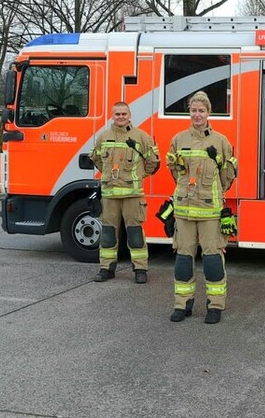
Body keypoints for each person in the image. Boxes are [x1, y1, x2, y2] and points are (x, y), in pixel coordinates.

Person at [164, 91, 237, 324]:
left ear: (209, 113)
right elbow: (175, 173)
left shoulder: (221, 142)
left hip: (210, 213)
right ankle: (182, 304)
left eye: (202, 110)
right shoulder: (177, 140)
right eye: (194, 110)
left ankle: (215, 306)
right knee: (183, 260)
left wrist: (212, 192)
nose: (198, 114)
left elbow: (228, 176)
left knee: (213, 260)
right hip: (184, 211)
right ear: (190, 112)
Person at [91, 102, 161, 284]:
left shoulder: (141, 137)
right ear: (112, 116)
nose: (120, 117)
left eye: (124, 114)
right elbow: (96, 158)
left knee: (135, 233)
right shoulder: (103, 137)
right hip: (109, 195)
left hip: (132, 195)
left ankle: (140, 269)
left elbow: (153, 162)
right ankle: (106, 268)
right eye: (117, 114)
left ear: (130, 115)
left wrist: (139, 175)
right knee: (107, 233)